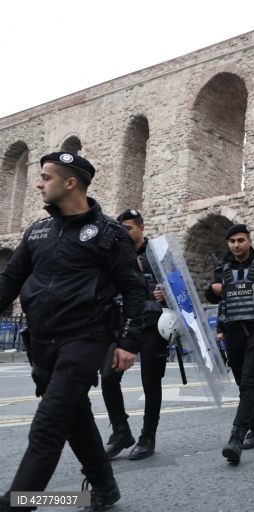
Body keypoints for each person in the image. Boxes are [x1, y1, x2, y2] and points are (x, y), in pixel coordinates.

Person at [0, 152, 145, 511]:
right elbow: (10, 280)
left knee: (47, 427)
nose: (38, 183)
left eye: (46, 177)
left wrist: (128, 341)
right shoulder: (38, 231)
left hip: (85, 340)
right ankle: (104, 487)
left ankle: (17, 503)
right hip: (42, 343)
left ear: (70, 183)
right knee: (73, 418)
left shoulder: (109, 234)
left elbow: (134, 290)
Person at [204, 224, 254, 464]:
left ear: (249, 240)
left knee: (248, 383)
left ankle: (236, 438)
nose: (236, 245)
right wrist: (212, 290)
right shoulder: (222, 269)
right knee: (242, 384)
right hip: (232, 333)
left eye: (240, 240)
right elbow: (215, 297)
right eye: (232, 242)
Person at [100, 209, 167, 461]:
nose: (124, 233)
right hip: (121, 325)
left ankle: (147, 437)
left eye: (128, 228)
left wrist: (165, 294)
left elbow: (178, 285)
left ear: (141, 227)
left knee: (151, 383)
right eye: (121, 229)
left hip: (152, 324)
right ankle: (120, 431)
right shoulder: (115, 254)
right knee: (108, 377)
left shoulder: (158, 254)